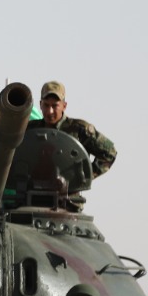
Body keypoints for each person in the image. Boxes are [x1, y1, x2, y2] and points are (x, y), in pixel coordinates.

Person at [28, 81, 117, 211]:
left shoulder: (79, 129)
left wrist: (84, 176)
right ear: (40, 105)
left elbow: (109, 153)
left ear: (64, 106)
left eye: (55, 106)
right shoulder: (30, 130)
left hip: (68, 203)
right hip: (31, 200)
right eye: (46, 105)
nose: (50, 111)